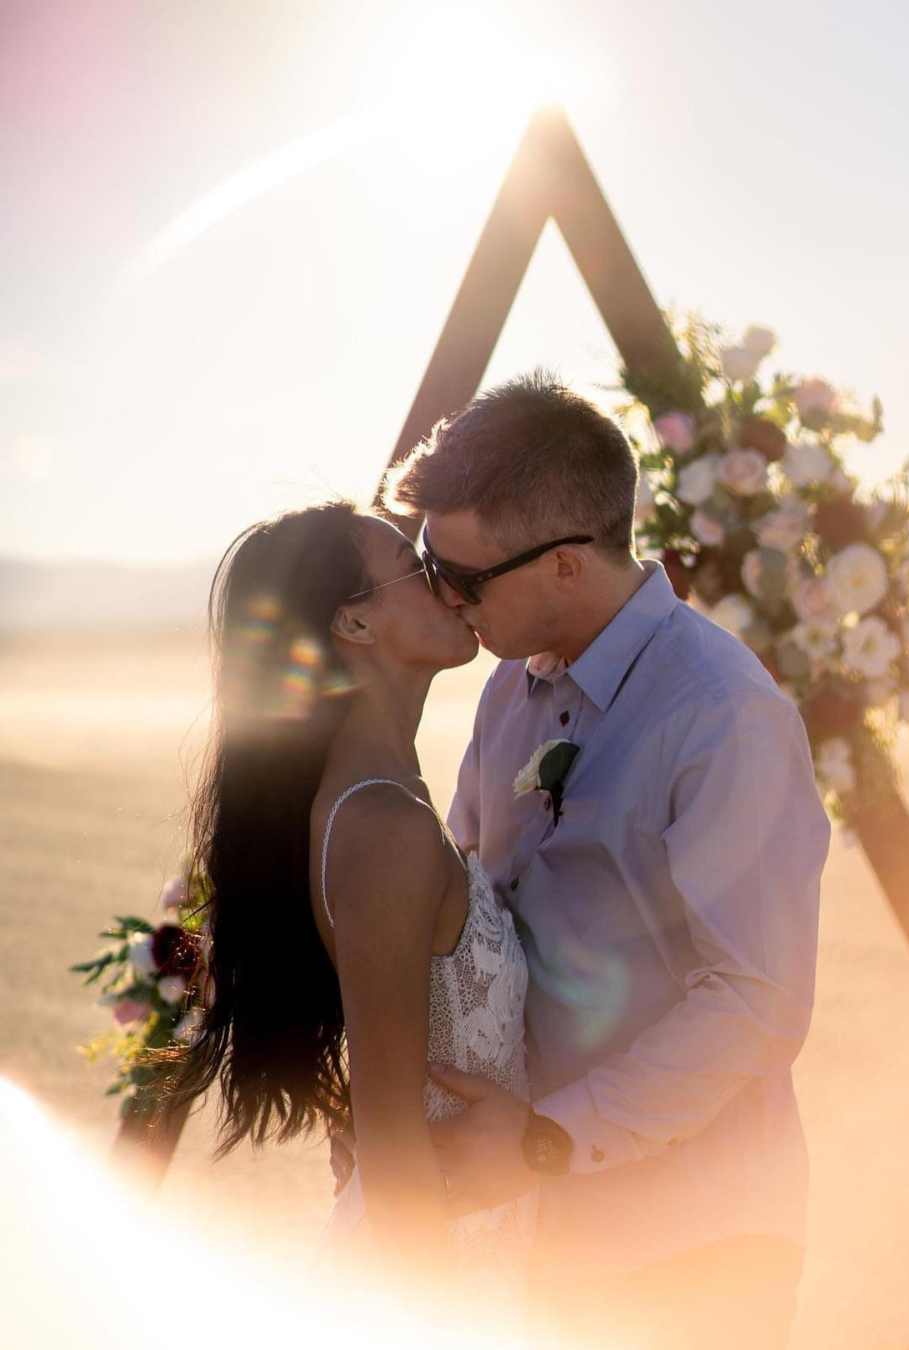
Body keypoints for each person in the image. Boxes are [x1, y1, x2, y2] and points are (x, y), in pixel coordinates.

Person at [372, 371, 832, 1348]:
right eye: (428, 565)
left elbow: (757, 998)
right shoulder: (507, 691)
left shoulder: (721, 715)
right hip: (545, 1239)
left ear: (568, 565)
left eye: (464, 576)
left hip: (695, 1243)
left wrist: (546, 1140)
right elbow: (467, 900)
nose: (443, 597)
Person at [156, 500, 533, 1296]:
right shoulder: (382, 826)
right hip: (430, 1268)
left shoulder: (383, 804)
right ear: (354, 626)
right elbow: (392, 1138)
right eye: (416, 567)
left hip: (462, 1235)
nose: (448, 583)